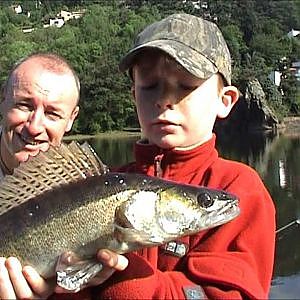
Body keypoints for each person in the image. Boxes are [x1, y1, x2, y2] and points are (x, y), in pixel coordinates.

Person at [89, 13, 274, 299]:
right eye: (149, 86)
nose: (164, 100)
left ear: (224, 101)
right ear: (133, 96)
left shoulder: (238, 188)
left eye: (186, 86)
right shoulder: (106, 183)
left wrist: (128, 285)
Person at [0, 52, 128, 299]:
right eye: (24, 105)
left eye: (52, 114)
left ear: (71, 119)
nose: (35, 127)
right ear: (2, 101)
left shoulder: (85, 185)